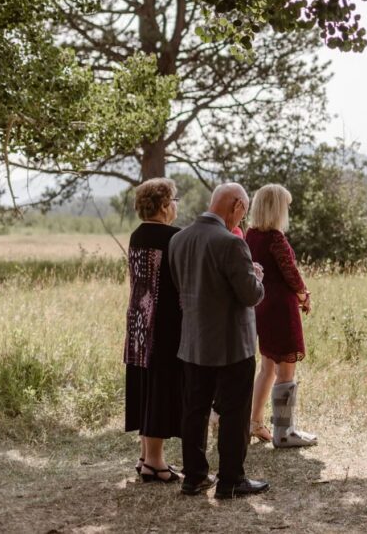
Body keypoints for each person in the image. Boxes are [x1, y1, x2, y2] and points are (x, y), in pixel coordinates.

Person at [168, 183, 270, 499]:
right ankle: (230, 479)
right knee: (235, 412)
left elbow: (181, 286)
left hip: (193, 340)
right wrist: (256, 276)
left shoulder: (178, 239)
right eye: (244, 210)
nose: (243, 218)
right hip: (231, 344)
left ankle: (195, 477)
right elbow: (250, 294)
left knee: (194, 410)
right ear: (236, 205)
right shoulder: (230, 243)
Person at [245, 184, 317, 448]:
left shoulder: (250, 236)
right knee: (286, 370)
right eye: (285, 205)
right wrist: (304, 295)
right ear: (276, 208)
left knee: (266, 368)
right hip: (281, 309)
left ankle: (254, 422)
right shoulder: (276, 239)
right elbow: (291, 274)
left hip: (261, 304)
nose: (287, 210)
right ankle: (284, 432)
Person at [123, 178, 183, 483]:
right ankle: (156, 463)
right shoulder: (174, 237)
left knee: (145, 386)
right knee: (160, 388)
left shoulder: (136, 235)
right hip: (164, 321)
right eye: (174, 200)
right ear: (163, 205)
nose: (175, 206)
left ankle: (146, 456)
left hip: (137, 321)